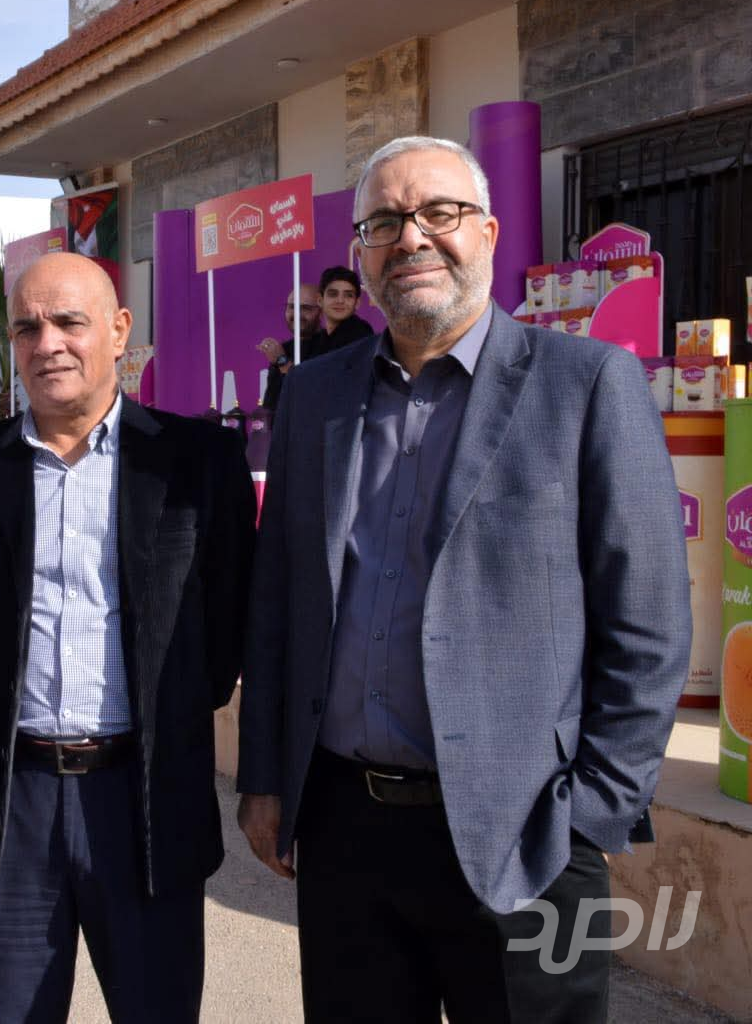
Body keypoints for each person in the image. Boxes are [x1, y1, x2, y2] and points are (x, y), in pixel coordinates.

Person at [237, 135, 690, 1023]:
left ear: (487, 231)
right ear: (361, 251)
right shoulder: (314, 398)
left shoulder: (587, 383)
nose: (411, 237)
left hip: (529, 833)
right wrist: (265, 773)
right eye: (384, 221)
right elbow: (278, 599)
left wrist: (594, 811)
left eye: (438, 212)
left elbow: (648, 622)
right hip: (346, 832)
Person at [0, 252, 257, 1022]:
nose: (48, 343)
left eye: (69, 322)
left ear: (118, 330)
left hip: (145, 797)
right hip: (14, 801)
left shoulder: (199, 463)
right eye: (27, 327)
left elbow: (228, 622)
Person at [258, 283, 320, 411]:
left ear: (321, 311)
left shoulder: (331, 345)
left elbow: (313, 395)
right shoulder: (283, 349)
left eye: (306, 308)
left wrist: (282, 360)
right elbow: (271, 406)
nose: (297, 313)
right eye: (292, 307)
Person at [302, 265, 375, 360]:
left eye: (348, 295)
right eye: (333, 294)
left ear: (357, 303)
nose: (340, 301)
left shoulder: (360, 334)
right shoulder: (319, 338)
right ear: (320, 300)